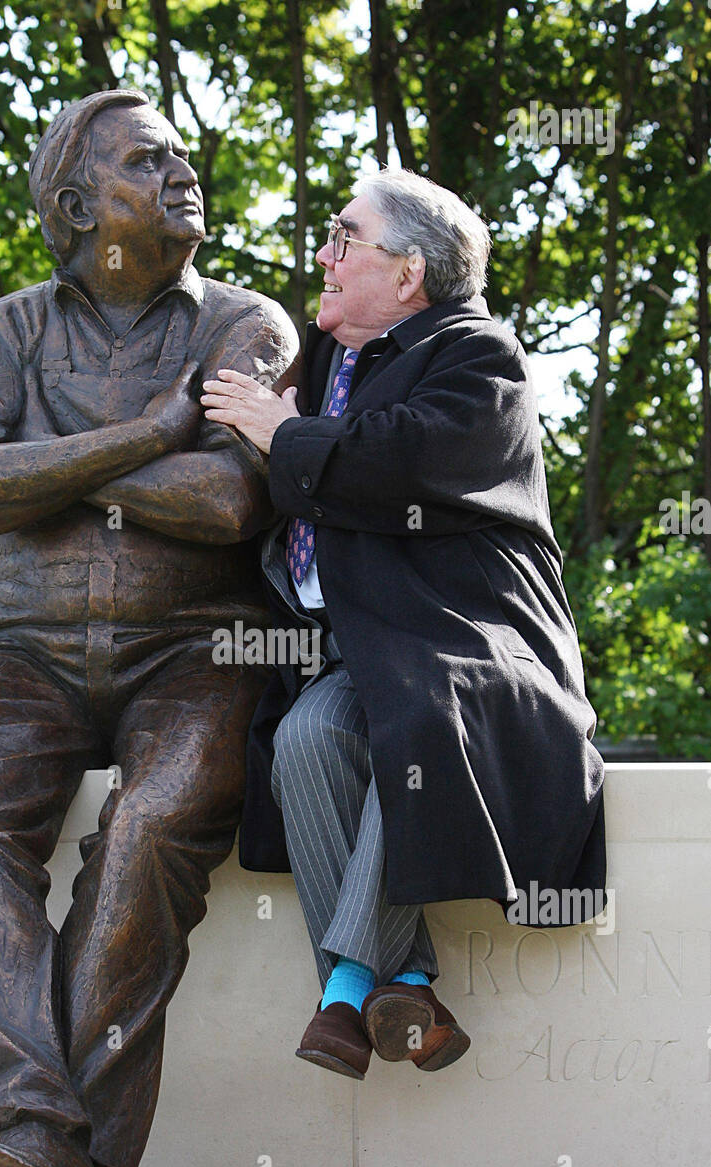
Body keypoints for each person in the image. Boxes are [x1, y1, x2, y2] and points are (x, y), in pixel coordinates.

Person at [0, 89, 297, 1167]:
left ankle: (22, 1156)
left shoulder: (244, 324)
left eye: (184, 157)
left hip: (196, 646)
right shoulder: (4, 330)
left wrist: (45, 471)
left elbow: (232, 500)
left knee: (153, 821)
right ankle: (31, 1144)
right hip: (14, 646)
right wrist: (145, 440)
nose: (184, 173)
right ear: (79, 206)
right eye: (148, 159)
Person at [202, 169, 606, 1083]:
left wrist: (284, 435)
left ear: (409, 274)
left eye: (345, 238)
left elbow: (405, 461)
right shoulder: (311, 358)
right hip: (355, 651)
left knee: (420, 720)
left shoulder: (475, 353)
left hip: (469, 637)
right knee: (303, 739)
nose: (323, 256)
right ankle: (410, 982)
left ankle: (344, 991)